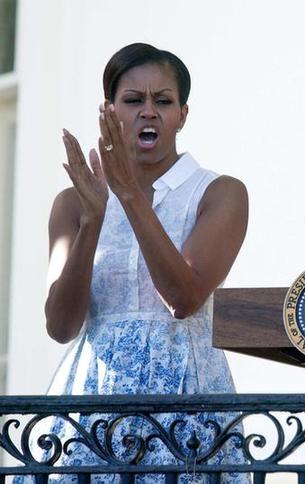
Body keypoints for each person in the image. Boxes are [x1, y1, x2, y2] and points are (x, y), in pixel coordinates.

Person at [33, 43, 249, 482]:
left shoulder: (219, 193)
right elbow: (61, 326)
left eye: (163, 101)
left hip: (183, 409)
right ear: (109, 111)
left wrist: (129, 194)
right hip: (93, 408)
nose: (148, 112)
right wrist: (94, 219)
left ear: (182, 115)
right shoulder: (74, 203)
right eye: (133, 101)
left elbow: (184, 297)